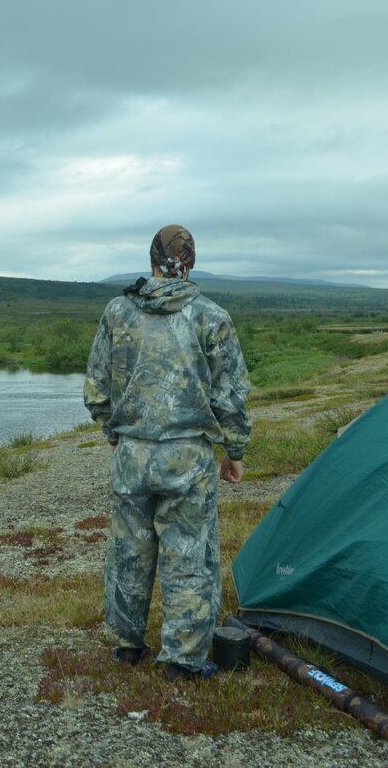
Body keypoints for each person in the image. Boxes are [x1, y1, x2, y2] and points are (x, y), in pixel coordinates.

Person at [83, 224, 252, 680]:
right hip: (188, 459)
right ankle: (182, 659)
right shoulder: (211, 317)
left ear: (152, 260)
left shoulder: (118, 312)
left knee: (129, 552)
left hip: (131, 456)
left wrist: (114, 433)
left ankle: (126, 645)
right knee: (189, 556)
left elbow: (97, 388)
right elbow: (230, 395)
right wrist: (234, 450)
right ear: (191, 261)